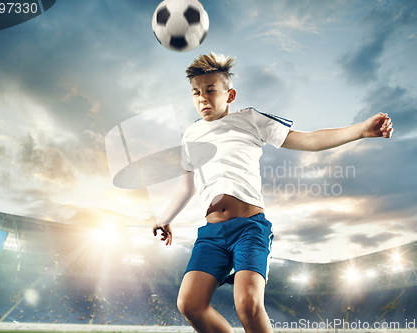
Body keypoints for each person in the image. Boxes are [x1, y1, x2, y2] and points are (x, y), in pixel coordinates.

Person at [153, 52, 393, 333]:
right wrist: (165, 217)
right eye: (196, 93)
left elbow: (309, 139)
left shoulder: (251, 120)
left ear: (230, 95)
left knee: (248, 305)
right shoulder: (190, 136)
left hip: (249, 229)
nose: (202, 98)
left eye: (210, 90)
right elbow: (187, 185)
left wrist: (360, 131)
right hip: (211, 234)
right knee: (190, 304)